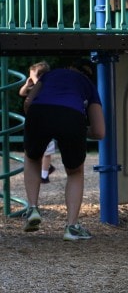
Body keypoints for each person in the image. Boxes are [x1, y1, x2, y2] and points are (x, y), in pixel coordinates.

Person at [22, 59, 105, 240]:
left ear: (69, 67)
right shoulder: (89, 86)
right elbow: (99, 131)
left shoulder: (50, 74)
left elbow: (28, 101)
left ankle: (33, 208)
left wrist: (36, 122)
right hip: (72, 116)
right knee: (75, 171)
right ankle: (72, 227)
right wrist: (79, 128)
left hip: (39, 111)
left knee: (32, 157)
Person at [19, 61, 56, 184]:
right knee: (36, 149)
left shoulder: (47, 85)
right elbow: (22, 93)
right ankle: (47, 168)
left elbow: (41, 89)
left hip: (47, 123)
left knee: (47, 150)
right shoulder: (34, 86)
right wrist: (27, 83)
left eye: (33, 75)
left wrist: (35, 80)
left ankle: (44, 176)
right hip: (36, 123)